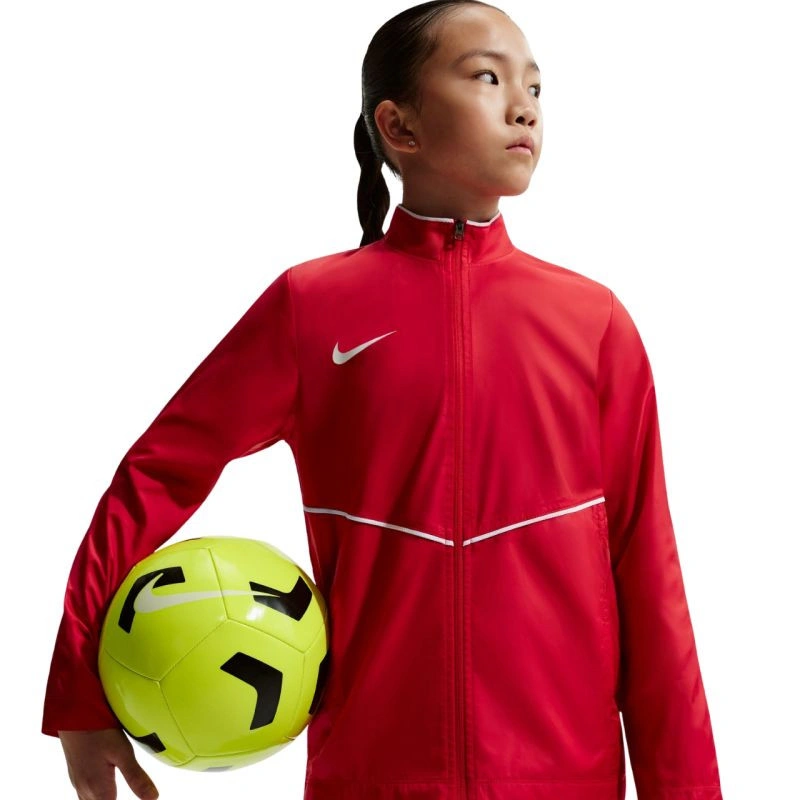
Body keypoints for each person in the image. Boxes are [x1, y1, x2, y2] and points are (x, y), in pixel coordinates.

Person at [43, 2, 724, 799]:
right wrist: (79, 695)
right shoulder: (313, 308)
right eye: (488, 77)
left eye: (536, 87)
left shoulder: (592, 323)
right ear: (398, 126)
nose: (524, 106)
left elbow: (650, 580)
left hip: (563, 780)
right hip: (371, 778)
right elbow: (158, 473)